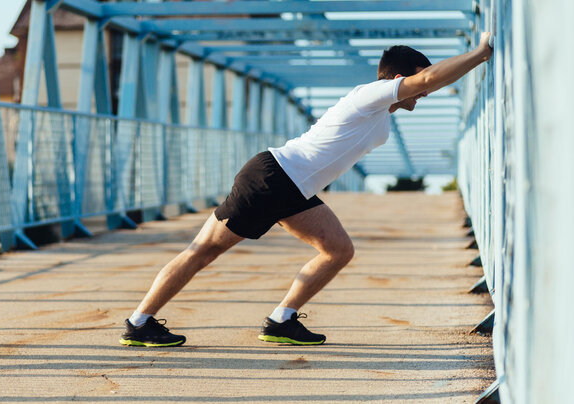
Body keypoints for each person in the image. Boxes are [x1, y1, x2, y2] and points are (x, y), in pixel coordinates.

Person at [119, 32, 494, 347]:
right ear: (398, 77)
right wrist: (481, 53)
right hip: (274, 177)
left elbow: (422, 84)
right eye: (417, 77)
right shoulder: (371, 94)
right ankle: (139, 322)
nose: (424, 90)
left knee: (338, 250)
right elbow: (429, 81)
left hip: (294, 189)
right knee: (203, 252)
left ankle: (282, 320)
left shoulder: (380, 115)